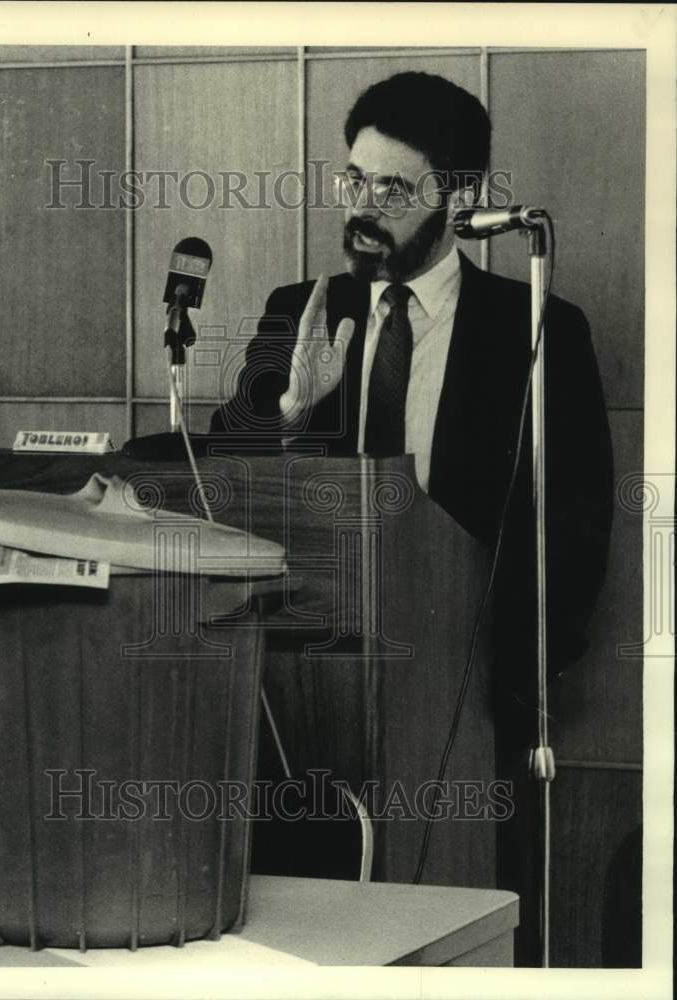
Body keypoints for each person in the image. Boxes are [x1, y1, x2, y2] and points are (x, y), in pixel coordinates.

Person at [209, 71, 614, 961]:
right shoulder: (297, 314)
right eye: (354, 179)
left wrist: (500, 698)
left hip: (462, 716)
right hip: (295, 711)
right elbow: (216, 492)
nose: (363, 205)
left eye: (393, 188)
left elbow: (577, 538)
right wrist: (287, 416)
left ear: (459, 195)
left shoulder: (541, 330)